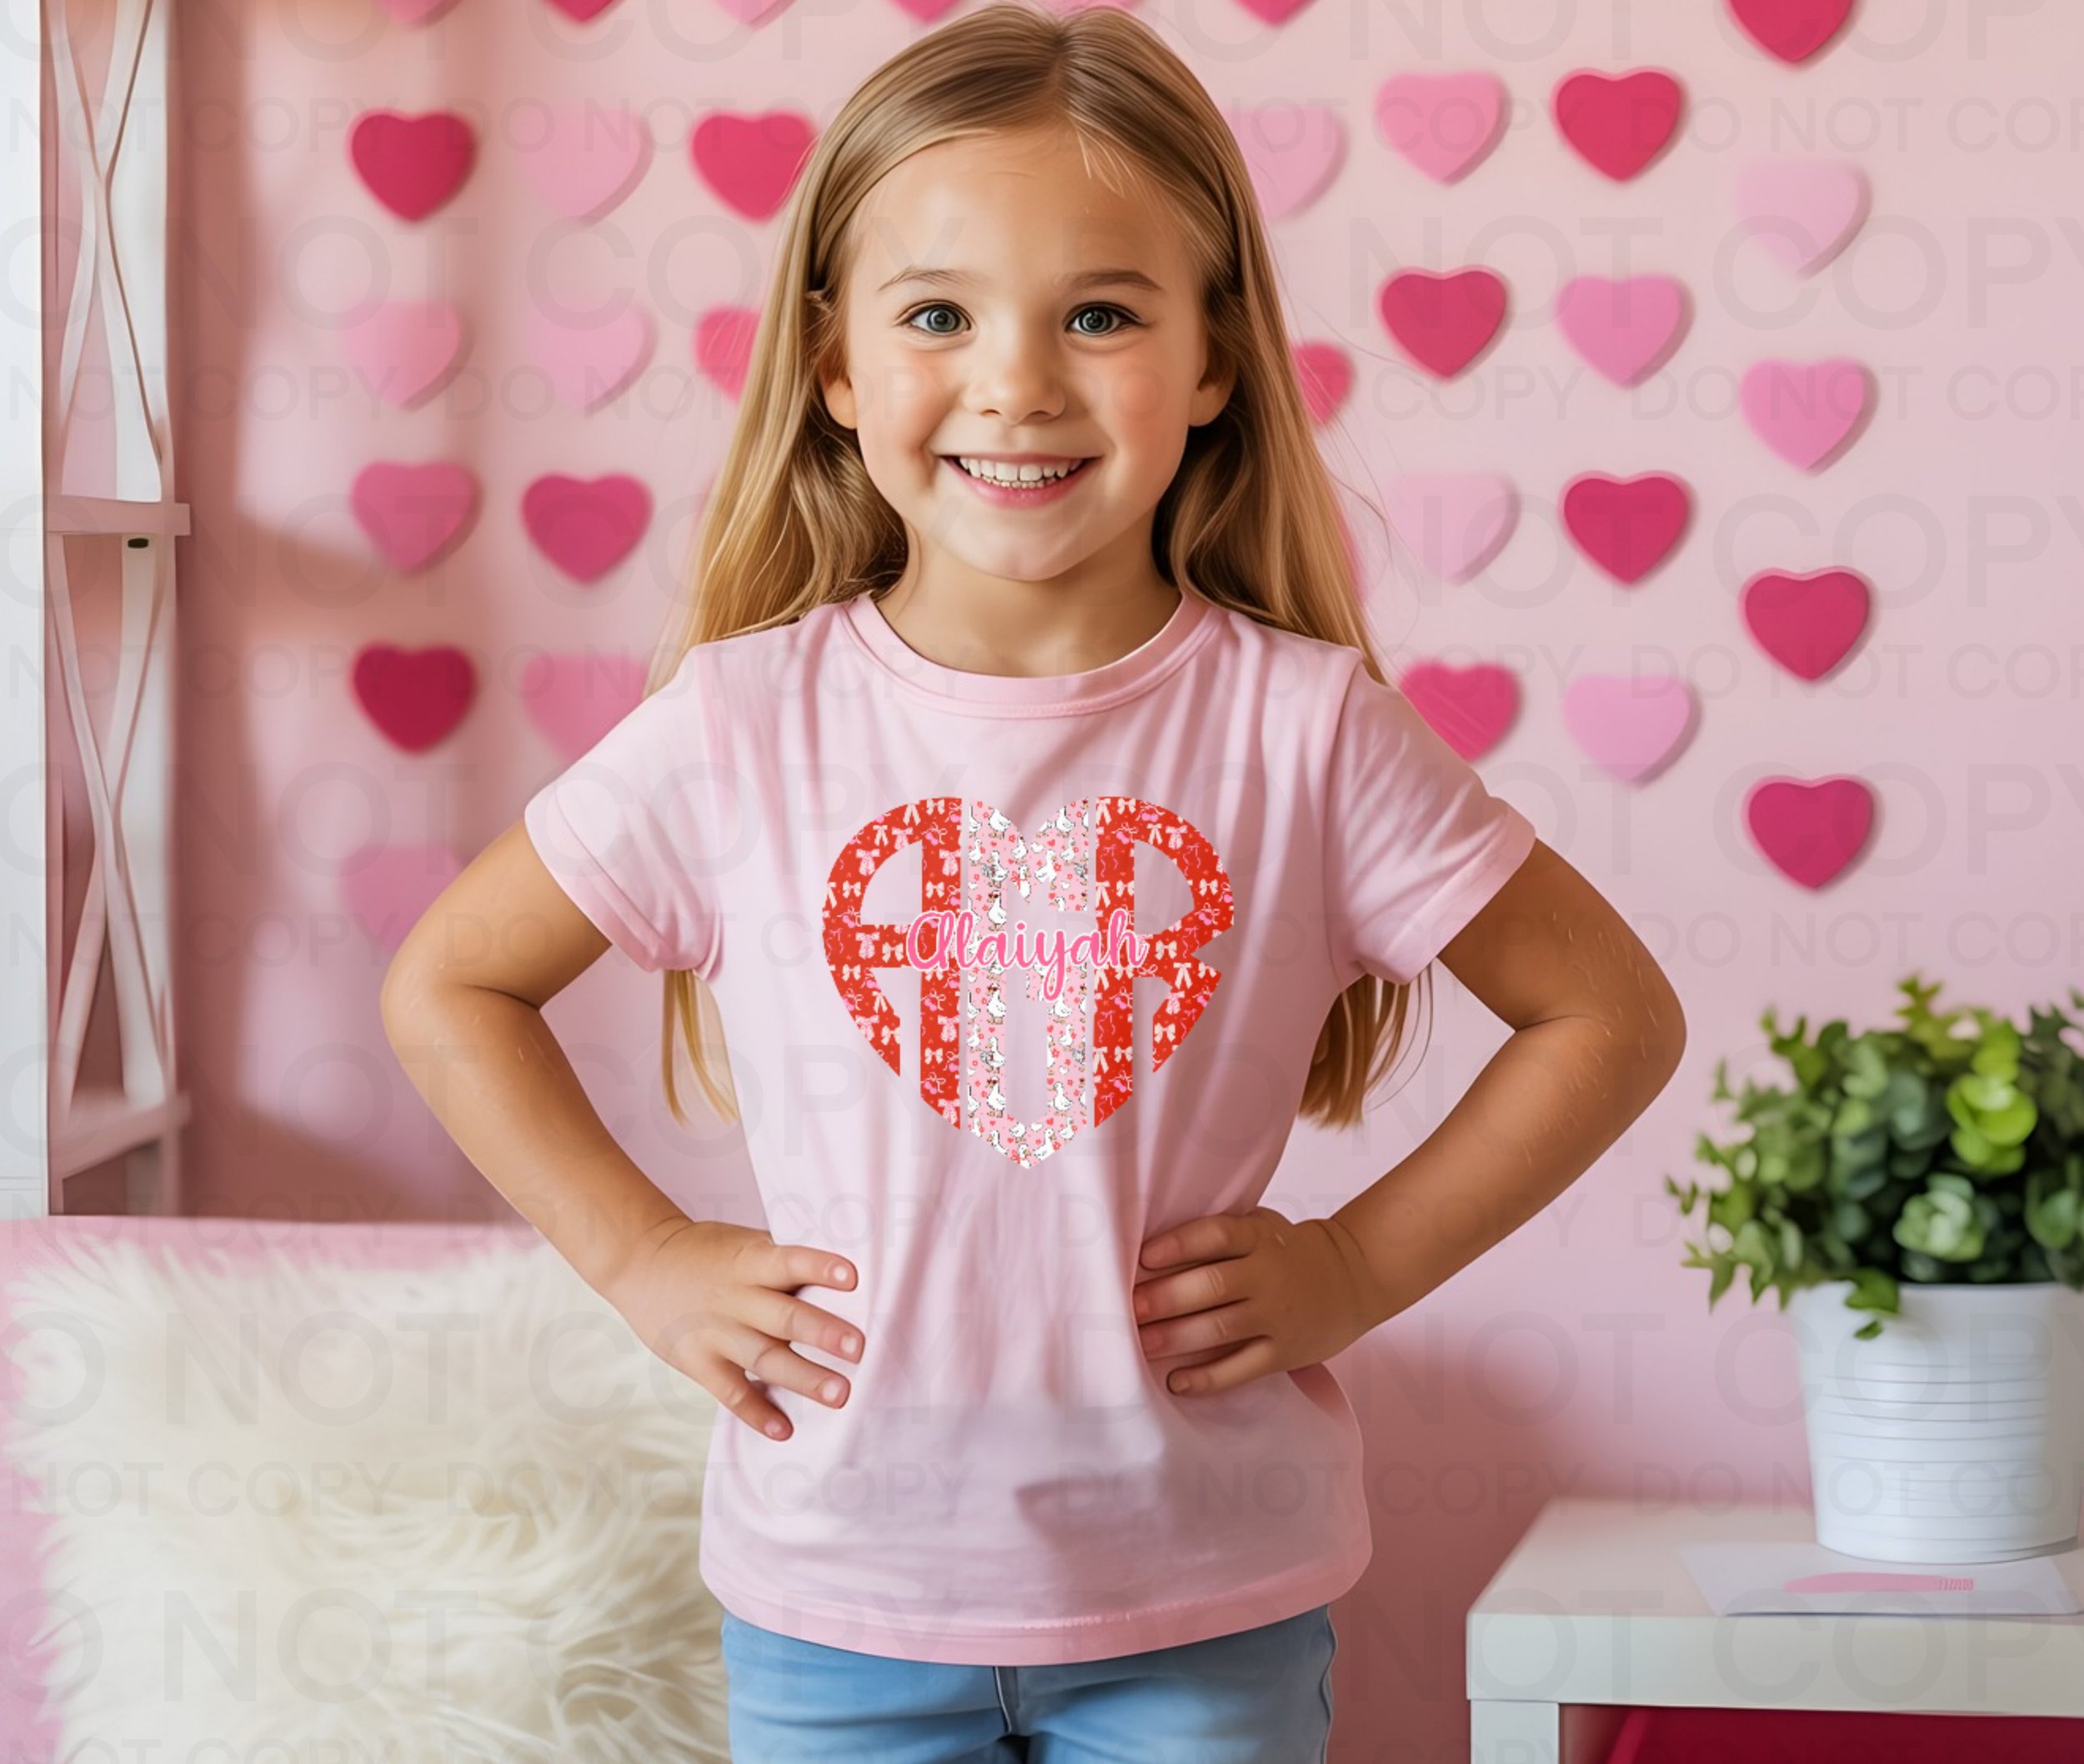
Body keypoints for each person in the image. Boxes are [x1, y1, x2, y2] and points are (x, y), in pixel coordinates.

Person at [381, 6, 1687, 1759]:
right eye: (938, 315)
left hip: (1204, 1599)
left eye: (1099, 314)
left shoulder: (1301, 729)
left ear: (1213, 358)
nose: (1017, 383)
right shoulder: (741, 724)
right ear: (835, 367)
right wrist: (645, 1256)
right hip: (834, 1600)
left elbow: (1609, 1014)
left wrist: (1355, 1265)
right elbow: (450, 985)